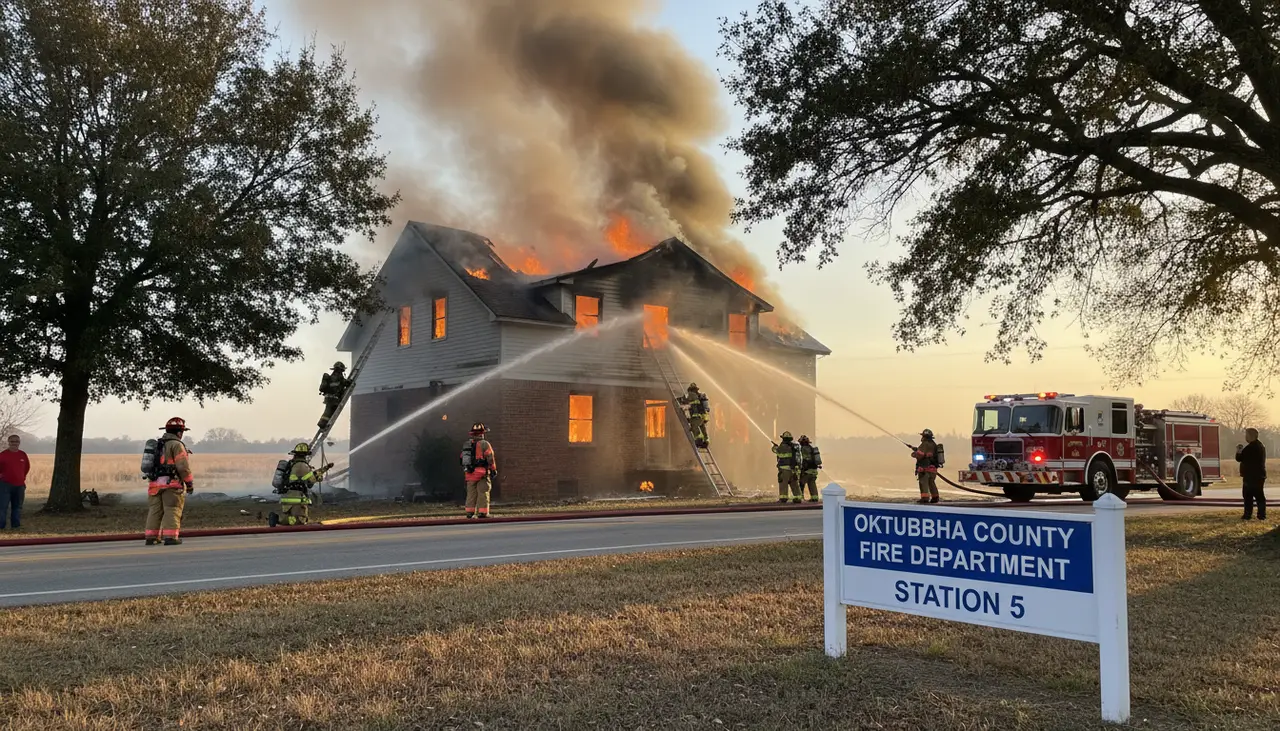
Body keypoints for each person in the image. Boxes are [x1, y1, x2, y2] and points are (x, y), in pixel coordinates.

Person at [146, 417, 194, 545]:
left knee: (155, 511)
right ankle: (171, 537)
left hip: (154, 484)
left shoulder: (157, 444)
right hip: (171, 485)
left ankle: (151, 538)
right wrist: (189, 483)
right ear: (179, 432)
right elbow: (183, 467)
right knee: (172, 509)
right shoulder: (177, 445)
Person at [269, 443, 331, 527]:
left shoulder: (294, 464)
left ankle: (278, 518)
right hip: (296, 497)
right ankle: (276, 518)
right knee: (300, 521)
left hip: (289, 495)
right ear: (304, 455)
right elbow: (310, 479)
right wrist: (319, 477)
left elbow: (307, 476)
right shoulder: (302, 465)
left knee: (292, 518)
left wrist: (324, 469)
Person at [461, 423, 497, 518]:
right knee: (483, 492)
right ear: (482, 434)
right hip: (482, 473)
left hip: (469, 473)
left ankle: (469, 512)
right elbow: (490, 457)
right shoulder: (485, 444)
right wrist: (493, 469)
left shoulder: (467, 445)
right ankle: (483, 512)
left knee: (471, 493)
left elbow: (462, 458)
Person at [0, 434, 30, 530]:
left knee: (17, 507)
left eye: (16, 441)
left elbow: (27, 468)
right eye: (12, 441)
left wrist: (22, 477)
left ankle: (15, 525)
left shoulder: (23, 455)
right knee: (2, 507)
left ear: (19, 443)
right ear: (8, 442)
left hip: (20, 486)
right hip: (5, 485)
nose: (14, 443)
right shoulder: (3, 455)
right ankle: (1, 525)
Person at [1236, 428, 1267, 521]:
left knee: (1248, 496)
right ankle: (1261, 515)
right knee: (1259, 496)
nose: (1245, 437)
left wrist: (1239, 450)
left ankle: (1247, 515)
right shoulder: (1261, 446)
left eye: (1247, 435)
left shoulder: (1251, 447)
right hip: (1259, 475)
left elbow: (1239, 458)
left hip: (1251, 476)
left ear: (1251, 436)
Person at [317, 362, 351, 430]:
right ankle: (322, 424)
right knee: (329, 412)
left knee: (328, 411)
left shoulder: (331, 376)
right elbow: (344, 383)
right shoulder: (338, 376)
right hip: (334, 398)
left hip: (328, 397)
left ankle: (324, 424)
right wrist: (349, 381)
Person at [677, 383, 711, 448]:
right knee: (703, 428)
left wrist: (680, 401)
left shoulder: (691, 395)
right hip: (704, 416)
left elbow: (687, 402)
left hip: (696, 416)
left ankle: (699, 440)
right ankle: (706, 441)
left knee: (694, 427)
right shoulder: (700, 396)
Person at [913, 428, 940, 504]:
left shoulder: (924, 444)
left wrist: (914, 453)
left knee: (923, 483)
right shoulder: (933, 444)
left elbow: (920, 455)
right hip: (933, 468)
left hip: (924, 468)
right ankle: (935, 497)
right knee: (931, 483)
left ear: (924, 436)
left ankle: (924, 498)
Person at [773, 431, 800, 503]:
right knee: (794, 484)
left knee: (783, 483)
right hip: (793, 469)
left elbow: (776, 451)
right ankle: (798, 497)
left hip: (784, 469)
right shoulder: (794, 447)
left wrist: (775, 447)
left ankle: (783, 498)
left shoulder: (782, 447)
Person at [798, 435, 822, 503]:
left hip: (807, 471)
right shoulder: (812, 449)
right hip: (814, 470)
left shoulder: (802, 449)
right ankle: (814, 498)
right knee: (812, 484)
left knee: (801, 484)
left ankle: (800, 498)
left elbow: (801, 460)